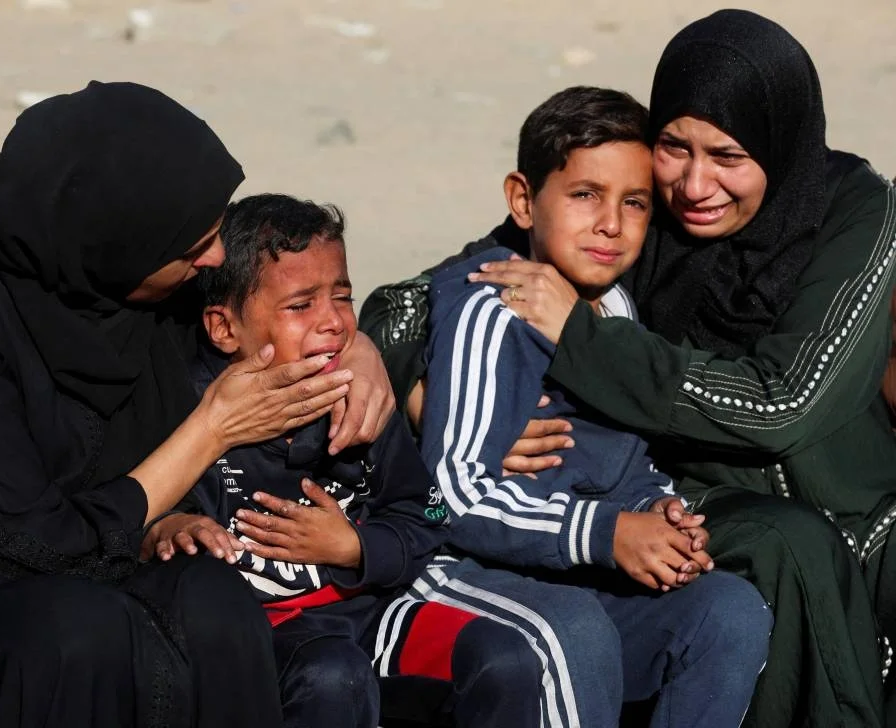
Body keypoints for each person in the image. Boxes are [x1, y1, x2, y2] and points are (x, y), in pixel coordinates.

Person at [360, 10, 896, 728]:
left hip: (852, 506)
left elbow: (784, 410)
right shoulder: (631, 215)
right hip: (690, 492)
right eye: (674, 147)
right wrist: (418, 393)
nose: (695, 185)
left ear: (782, 144)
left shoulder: (855, 215)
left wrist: (584, 342)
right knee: (776, 556)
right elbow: (464, 282)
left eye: (729, 156)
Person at [0, 81, 395, 728]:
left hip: (99, 569)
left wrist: (360, 349)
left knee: (210, 597)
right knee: (77, 626)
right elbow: (14, 551)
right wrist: (211, 430)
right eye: (192, 247)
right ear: (116, 238)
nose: (213, 258)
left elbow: (288, 294)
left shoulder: (140, 283)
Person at [411, 85, 769, 728]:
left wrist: (654, 514)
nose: (611, 223)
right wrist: (606, 534)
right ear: (523, 200)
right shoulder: (493, 311)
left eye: (633, 203)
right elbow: (447, 500)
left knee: (729, 612)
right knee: (572, 632)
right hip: (459, 573)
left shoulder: (614, 312)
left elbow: (622, 463)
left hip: (572, 570)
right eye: (584, 195)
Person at [146, 193, 544, 728]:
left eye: (343, 297)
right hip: (264, 641)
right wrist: (176, 525)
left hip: (368, 615)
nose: (334, 322)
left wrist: (354, 547)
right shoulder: (189, 413)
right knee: (333, 675)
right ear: (224, 329)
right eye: (300, 305)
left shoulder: (360, 401)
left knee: (506, 658)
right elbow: (145, 517)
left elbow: (424, 517)